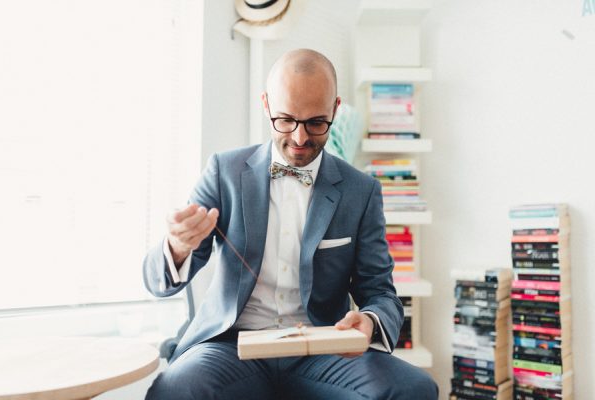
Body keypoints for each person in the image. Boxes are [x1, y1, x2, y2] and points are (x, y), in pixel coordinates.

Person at [143, 48, 438, 400]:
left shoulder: (362, 191)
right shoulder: (224, 171)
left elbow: (380, 292)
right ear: (266, 105)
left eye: (316, 122)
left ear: (335, 110)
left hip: (322, 351)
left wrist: (371, 321)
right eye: (286, 120)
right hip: (232, 348)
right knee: (176, 389)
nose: (299, 139)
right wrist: (178, 246)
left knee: (413, 389)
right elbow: (158, 283)